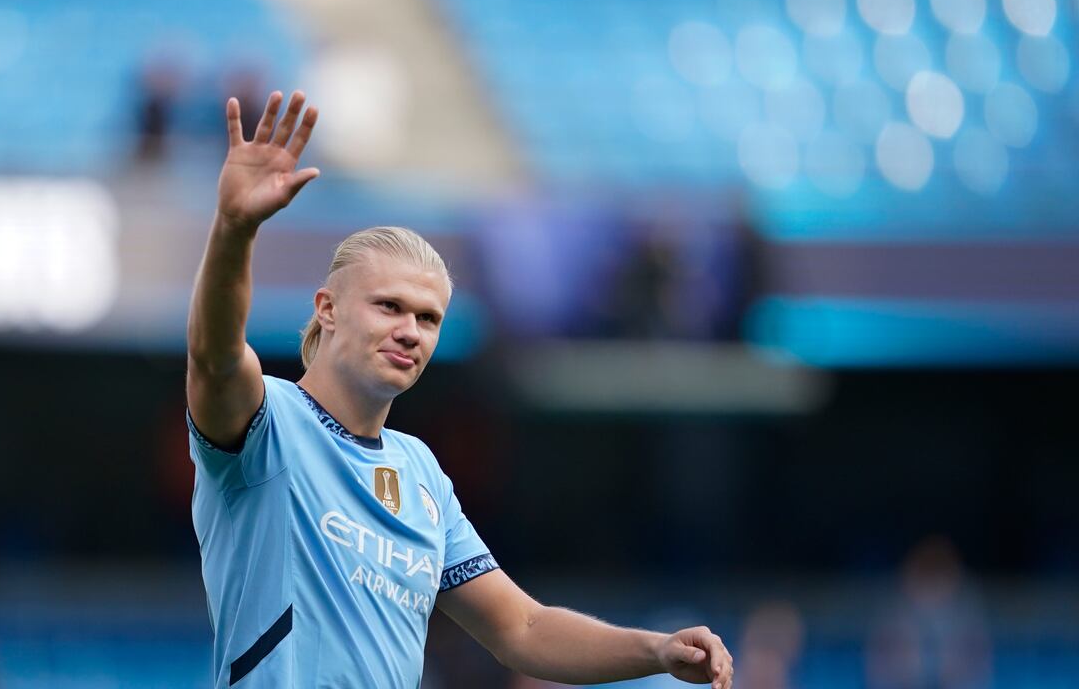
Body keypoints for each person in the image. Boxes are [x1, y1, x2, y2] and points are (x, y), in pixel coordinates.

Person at [185, 89, 735, 688]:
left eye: (428, 318)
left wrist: (654, 650)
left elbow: (521, 629)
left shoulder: (420, 473)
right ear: (329, 309)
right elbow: (214, 358)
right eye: (389, 306)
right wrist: (235, 228)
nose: (410, 331)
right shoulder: (268, 425)